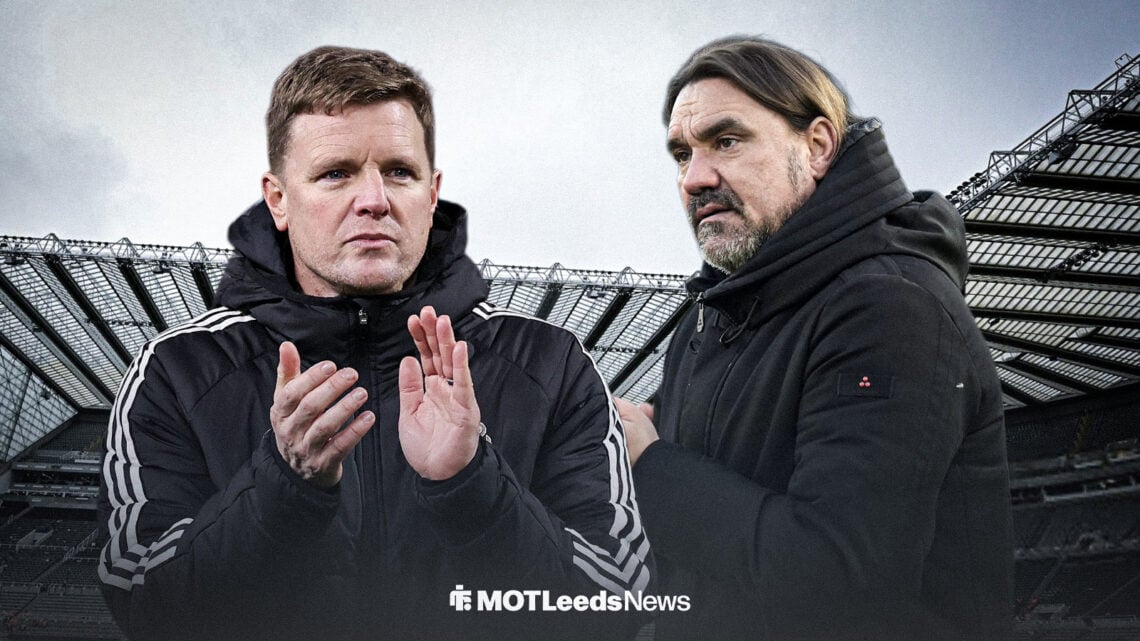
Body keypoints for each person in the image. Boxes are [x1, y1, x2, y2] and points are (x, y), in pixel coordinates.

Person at [97, 45, 651, 641]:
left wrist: (471, 485)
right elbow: (144, 604)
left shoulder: (549, 362)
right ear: (278, 200)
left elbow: (617, 606)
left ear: (432, 193)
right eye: (335, 173)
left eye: (399, 172)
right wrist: (282, 487)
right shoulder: (182, 369)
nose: (374, 199)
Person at [616, 36, 1013, 641]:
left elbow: (837, 582)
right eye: (680, 155)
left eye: (726, 141)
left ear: (818, 145)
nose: (694, 179)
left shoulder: (889, 305)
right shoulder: (711, 313)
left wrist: (650, 466)